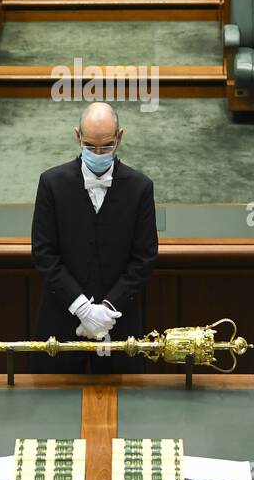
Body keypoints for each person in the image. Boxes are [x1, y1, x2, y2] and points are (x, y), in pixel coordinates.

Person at [30, 102, 158, 373]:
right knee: (50, 405)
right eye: (90, 146)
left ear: (119, 137)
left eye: (106, 146)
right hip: (61, 320)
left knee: (125, 406)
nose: (98, 153)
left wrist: (107, 309)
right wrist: (83, 309)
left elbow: (144, 257)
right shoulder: (51, 183)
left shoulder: (140, 187)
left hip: (119, 322)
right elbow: (44, 253)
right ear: (77, 136)